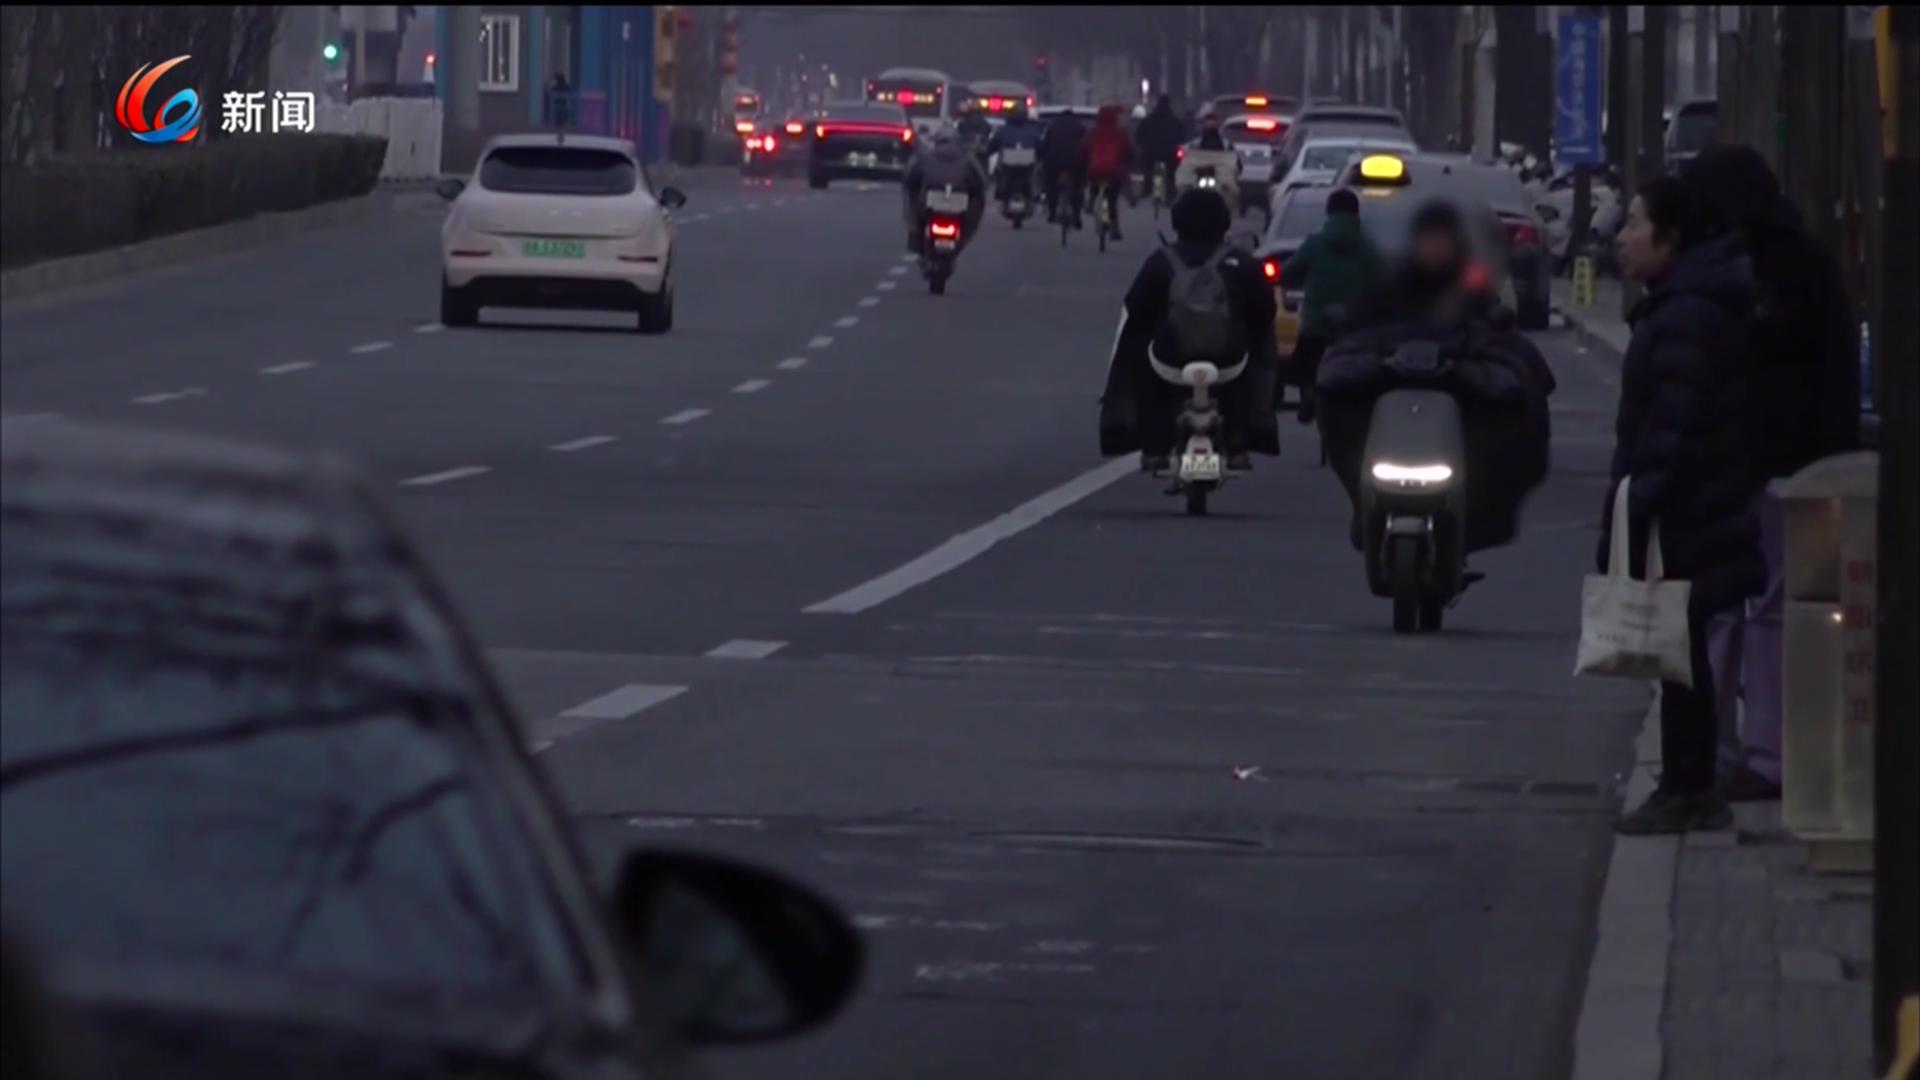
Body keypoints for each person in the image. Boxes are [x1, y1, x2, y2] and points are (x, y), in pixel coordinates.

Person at [1682, 145, 1861, 802]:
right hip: (1786, 465)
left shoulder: (1713, 266)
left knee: (1726, 610)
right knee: (1767, 610)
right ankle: (1763, 753)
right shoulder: (1802, 264)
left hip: (1748, 466)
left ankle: (1719, 749)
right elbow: (1835, 368)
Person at [1603, 173, 1765, 835]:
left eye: (1635, 223)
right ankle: (1688, 783)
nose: (1622, 237)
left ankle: (1688, 786)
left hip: (1690, 510)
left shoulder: (1685, 316)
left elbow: (1672, 422)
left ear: (1669, 239)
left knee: (1681, 655)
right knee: (1683, 651)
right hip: (1701, 504)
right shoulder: (1686, 305)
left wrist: (1639, 502)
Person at [1098, 188, 1280, 473]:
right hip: (1229, 361)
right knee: (1258, 355)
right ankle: (1243, 438)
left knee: (1137, 356)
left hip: (1169, 360)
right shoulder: (1242, 263)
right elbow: (1266, 310)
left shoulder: (1161, 261)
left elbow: (1136, 307)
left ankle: (1152, 447)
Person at [1279, 187, 1384, 423]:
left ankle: (1309, 391)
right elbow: (1381, 283)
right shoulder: (1369, 247)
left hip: (1316, 322)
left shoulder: (1315, 244)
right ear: (1357, 214)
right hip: (1355, 325)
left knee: (1305, 360)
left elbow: (1289, 273)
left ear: (1328, 213)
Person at [902, 122, 987, 256]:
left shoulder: (926, 155)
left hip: (932, 203)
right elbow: (981, 182)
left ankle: (916, 237)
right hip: (957, 205)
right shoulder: (967, 157)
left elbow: (911, 177)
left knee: (911, 201)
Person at [1082, 105, 1135, 239]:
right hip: (1113, 172)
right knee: (1112, 199)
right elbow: (1128, 151)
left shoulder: (1093, 133)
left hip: (1095, 170)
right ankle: (1114, 228)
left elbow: (1084, 149)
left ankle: (1092, 199)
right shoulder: (1120, 134)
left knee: (1094, 181)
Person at [1174, 113, 1241, 210]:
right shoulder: (1194, 144)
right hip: (1197, 176)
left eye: (1212, 126)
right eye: (1208, 125)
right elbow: (1184, 158)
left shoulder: (1227, 145)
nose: (1210, 128)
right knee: (1183, 187)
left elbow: (1236, 163)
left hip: (1219, 179)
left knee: (1230, 192)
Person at [1039, 108, 1090, 226]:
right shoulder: (1080, 128)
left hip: (1054, 161)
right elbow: (1085, 146)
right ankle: (1077, 216)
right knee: (1078, 187)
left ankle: (1052, 212)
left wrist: (1041, 156)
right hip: (1075, 162)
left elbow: (1045, 146)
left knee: (1051, 185)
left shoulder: (1052, 128)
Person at [1134, 94, 1187, 203]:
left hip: (1151, 153)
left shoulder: (1148, 119)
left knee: (1147, 169)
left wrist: (1142, 145)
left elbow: (1139, 136)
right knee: (1171, 172)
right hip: (1169, 154)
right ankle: (1170, 193)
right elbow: (1182, 138)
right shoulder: (1175, 121)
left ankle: (1147, 187)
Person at [985, 107, 1044, 202]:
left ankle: (1000, 190)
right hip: (1027, 168)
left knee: (999, 171)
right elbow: (1040, 149)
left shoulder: (1002, 131)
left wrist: (987, 153)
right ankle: (1036, 193)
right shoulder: (1033, 131)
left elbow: (992, 147)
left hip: (1008, 168)